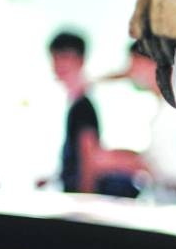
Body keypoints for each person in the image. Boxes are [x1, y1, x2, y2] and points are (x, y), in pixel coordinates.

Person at [48, 31, 147, 196]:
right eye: (56, 58)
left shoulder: (82, 106)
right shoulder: (77, 103)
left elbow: (88, 158)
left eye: (65, 57)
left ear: (80, 60)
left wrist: (85, 198)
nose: (59, 64)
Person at [116, 44, 176, 205]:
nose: (131, 73)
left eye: (135, 64)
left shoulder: (173, 113)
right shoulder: (171, 108)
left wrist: (136, 165)